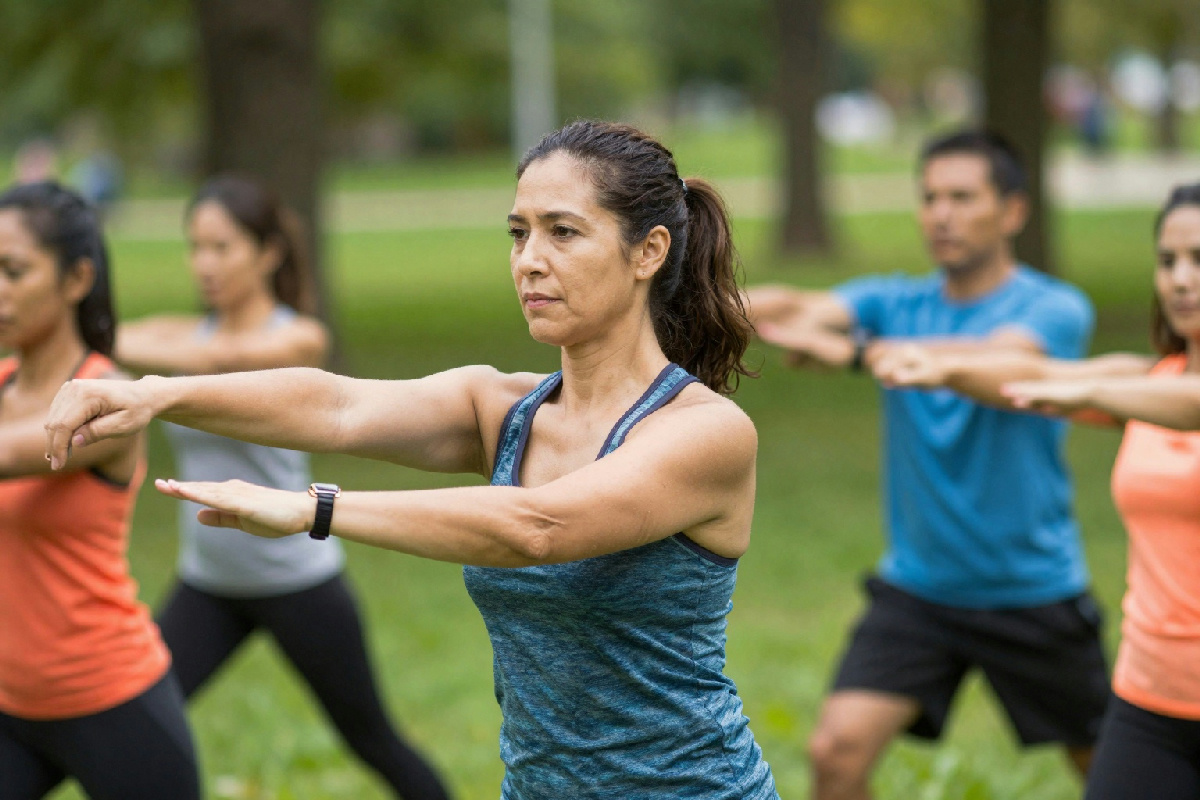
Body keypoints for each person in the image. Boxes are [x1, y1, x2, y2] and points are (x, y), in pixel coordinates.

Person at [44, 120, 780, 800]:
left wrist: (316, 509)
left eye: (564, 233)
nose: (530, 261)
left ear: (648, 251)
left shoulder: (704, 433)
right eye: (519, 233)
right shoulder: (506, 412)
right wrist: (156, 395)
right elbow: (336, 405)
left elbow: (539, 527)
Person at [743, 130, 1110, 799]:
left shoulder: (1052, 308)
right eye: (930, 197)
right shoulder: (896, 301)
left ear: (1013, 211)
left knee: (1113, 774)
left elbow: (1001, 366)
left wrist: (860, 354)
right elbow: (800, 306)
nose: (941, 213)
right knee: (835, 754)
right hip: (920, 589)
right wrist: (681, 293)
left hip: (1030, 591)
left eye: (963, 197)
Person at [115, 174, 452, 800]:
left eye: (222, 247)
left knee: (369, 736)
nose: (204, 264)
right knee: (138, 720)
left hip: (296, 580)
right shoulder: (184, 335)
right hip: (208, 585)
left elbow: (223, 362)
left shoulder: (297, 338)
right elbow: (115, 336)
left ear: (267, 252)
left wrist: (136, 361)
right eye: (196, 247)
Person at [874, 182, 1200, 800]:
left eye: (1199, 261)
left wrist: (1087, 390)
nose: (1181, 279)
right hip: (1151, 700)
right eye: (1168, 261)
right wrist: (945, 367)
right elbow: (1038, 377)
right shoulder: (1147, 379)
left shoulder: (1144, 393)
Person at [0, 181, 200, 799]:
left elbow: (8, 453)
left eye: (13, 271)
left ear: (76, 279)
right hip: (9, 701)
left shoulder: (107, 397)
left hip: (108, 695)